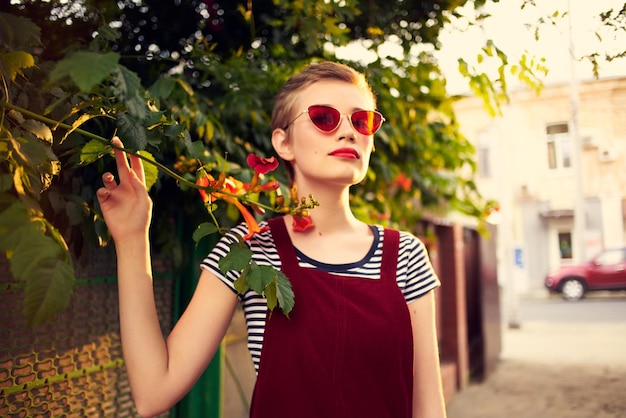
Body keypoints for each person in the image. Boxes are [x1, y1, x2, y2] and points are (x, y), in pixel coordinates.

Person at [97, 61, 447, 418]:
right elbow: (154, 391)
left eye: (362, 121)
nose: (349, 133)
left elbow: (429, 410)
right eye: (324, 118)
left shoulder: (405, 255)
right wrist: (131, 239)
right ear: (283, 142)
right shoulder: (249, 248)